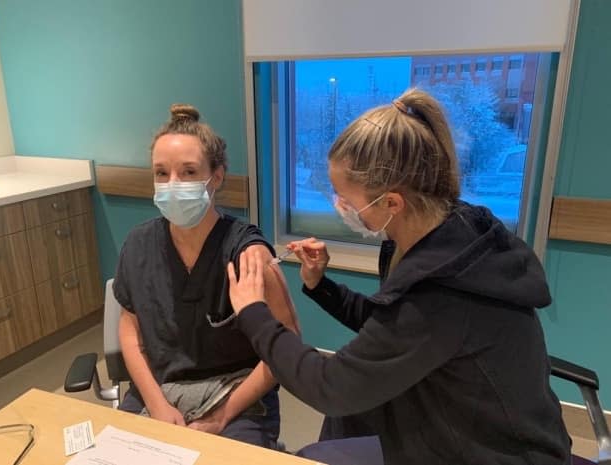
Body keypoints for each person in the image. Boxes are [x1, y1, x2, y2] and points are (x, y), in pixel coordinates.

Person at [226, 89, 572, 464]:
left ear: (392, 202)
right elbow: (391, 328)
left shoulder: (445, 285)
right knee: (345, 422)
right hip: (453, 421)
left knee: (341, 414)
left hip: (498, 453)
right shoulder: (443, 231)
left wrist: (255, 314)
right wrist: (320, 286)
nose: (339, 207)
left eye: (346, 199)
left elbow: (331, 386)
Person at [113, 103, 299, 449]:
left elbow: (285, 346)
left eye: (187, 172)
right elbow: (129, 326)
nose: (172, 185)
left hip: (235, 394)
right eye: (161, 173)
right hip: (158, 388)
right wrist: (156, 404)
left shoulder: (248, 254)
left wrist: (222, 415)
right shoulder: (138, 245)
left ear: (216, 176)